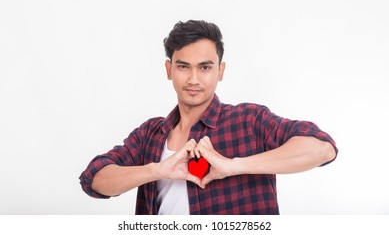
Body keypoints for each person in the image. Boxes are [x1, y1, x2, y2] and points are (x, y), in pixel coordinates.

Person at [79, 20, 338, 215]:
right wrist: (157, 170)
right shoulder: (150, 134)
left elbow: (322, 149)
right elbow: (94, 179)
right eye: (183, 67)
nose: (193, 79)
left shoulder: (248, 120)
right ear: (169, 70)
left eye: (205, 67)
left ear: (220, 71)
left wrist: (234, 165)